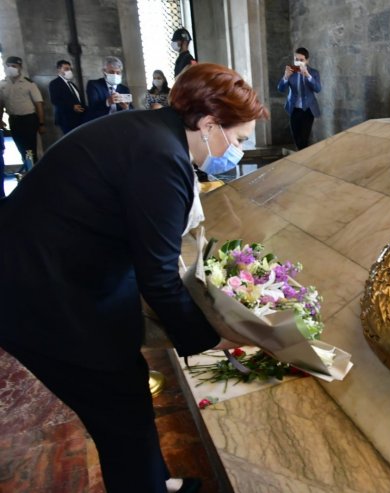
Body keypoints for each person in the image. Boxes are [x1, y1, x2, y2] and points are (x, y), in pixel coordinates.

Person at [0, 63, 268, 493]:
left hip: (53, 275)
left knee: (126, 398)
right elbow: (157, 276)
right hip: (41, 296)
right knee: (120, 411)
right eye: (236, 139)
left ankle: (157, 482)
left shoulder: (150, 131)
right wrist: (209, 337)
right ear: (209, 125)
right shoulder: (161, 158)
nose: (235, 150)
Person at [0, 55, 45, 173]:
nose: (11, 68)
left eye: (14, 66)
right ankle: (28, 167)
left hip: (29, 120)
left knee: (30, 149)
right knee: (20, 147)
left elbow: (38, 104)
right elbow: (1, 104)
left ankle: (32, 170)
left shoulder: (29, 84)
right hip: (14, 120)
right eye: (9, 66)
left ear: (20, 67)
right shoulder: (3, 84)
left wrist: (41, 123)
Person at [277, 47, 321, 150]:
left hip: (308, 110)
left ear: (307, 60)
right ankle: (302, 158)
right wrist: (286, 77)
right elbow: (280, 89)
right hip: (294, 109)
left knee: (304, 139)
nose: (298, 62)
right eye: (296, 60)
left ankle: (302, 159)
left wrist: (308, 76)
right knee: (297, 138)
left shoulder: (314, 73)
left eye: (301, 60)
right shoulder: (291, 72)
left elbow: (318, 89)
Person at [85, 56, 134, 122]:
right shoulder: (94, 85)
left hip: (119, 123)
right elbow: (93, 107)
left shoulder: (124, 89)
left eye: (118, 72)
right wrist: (108, 102)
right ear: (104, 72)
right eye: (111, 72)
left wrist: (126, 108)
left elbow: (131, 109)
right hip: (100, 123)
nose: (115, 75)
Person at [48, 59, 85, 134]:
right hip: (66, 119)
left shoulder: (71, 84)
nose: (69, 71)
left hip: (78, 117)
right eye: (66, 69)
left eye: (70, 69)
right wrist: (72, 107)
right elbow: (55, 100)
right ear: (59, 69)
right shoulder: (55, 83)